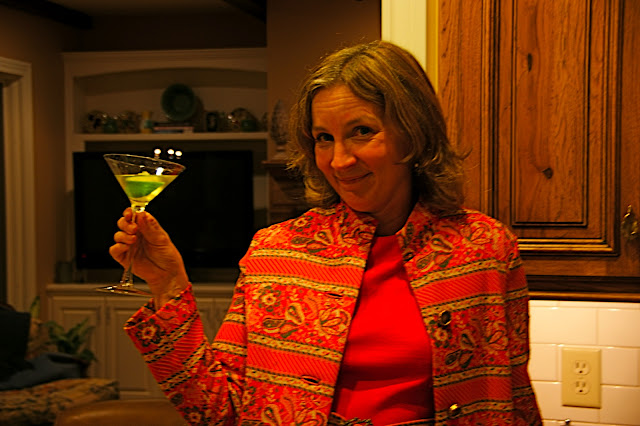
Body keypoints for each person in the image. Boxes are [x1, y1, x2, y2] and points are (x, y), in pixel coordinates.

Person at [111, 40, 542, 425]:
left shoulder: (483, 249)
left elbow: (513, 399)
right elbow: (217, 410)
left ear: (413, 134)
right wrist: (168, 286)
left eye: (361, 132)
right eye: (323, 138)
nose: (339, 160)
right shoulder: (276, 253)